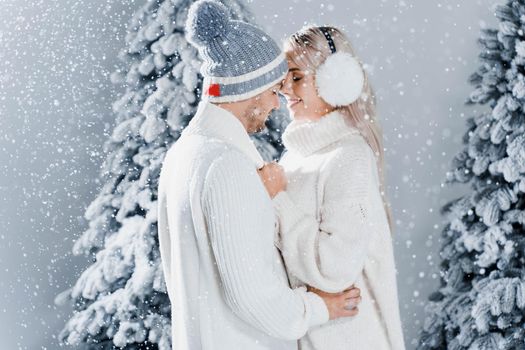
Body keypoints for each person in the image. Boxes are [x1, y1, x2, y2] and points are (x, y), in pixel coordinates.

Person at [156, 2, 361, 349]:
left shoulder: (182, 156)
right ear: (247, 90)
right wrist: (318, 308)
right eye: (271, 91)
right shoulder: (226, 165)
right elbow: (252, 294)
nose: (276, 103)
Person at [260, 25, 406, 349]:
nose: (284, 88)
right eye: (285, 77)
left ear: (335, 81)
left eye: (296, 76)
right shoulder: (295, 160)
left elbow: (334, 267)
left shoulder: (349, 157)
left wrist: (278, 200)